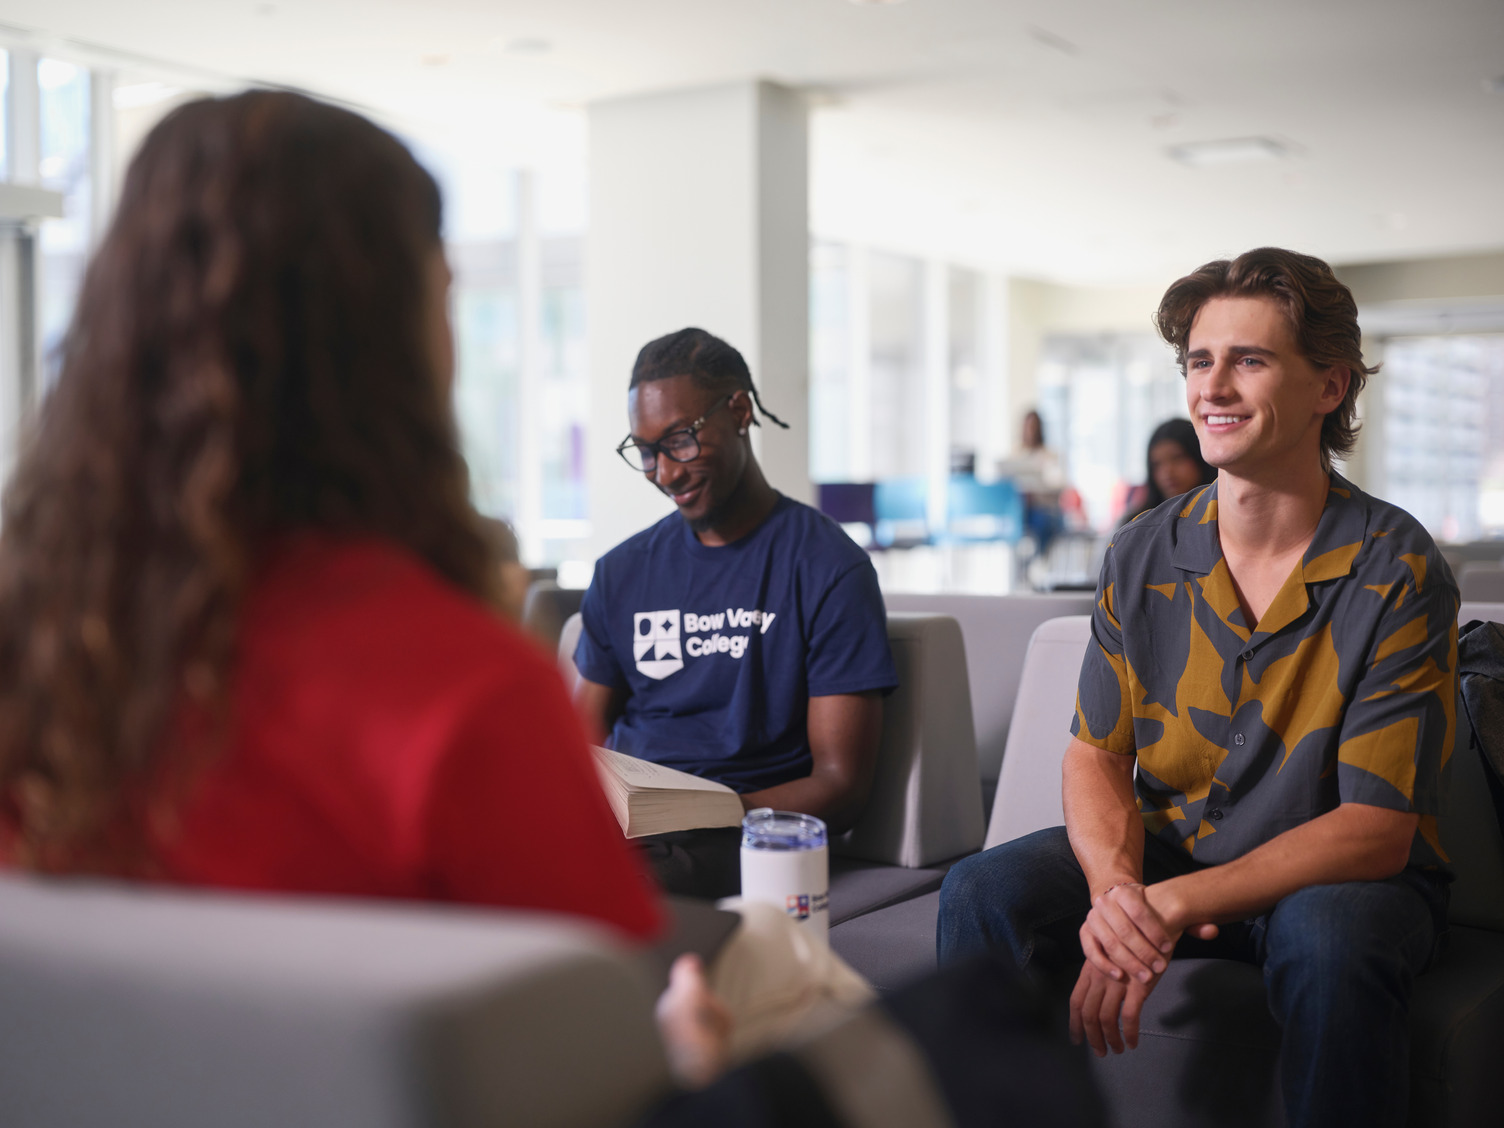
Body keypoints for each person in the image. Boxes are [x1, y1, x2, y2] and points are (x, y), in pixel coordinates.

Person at [0, 90, 660, 941]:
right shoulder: (466, 701)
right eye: (445, 294)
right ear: (390, 344)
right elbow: (599, 1051)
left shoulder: (34, 661)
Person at [937, 247, 1459, 1128]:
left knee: (1329, 939)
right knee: (982, 891)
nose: (1212, 386)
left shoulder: (1397, 567)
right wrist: (1116, 898)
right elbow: (1095, 756)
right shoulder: (1141, 551)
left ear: (1329, 388)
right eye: (1199, 361)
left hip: (1336, 879)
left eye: (1248, 360)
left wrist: (1169, 905)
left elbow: (1374, 831)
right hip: (1174, 844)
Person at [573, 328, 898, 898]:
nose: (664, 472)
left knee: (610, 887)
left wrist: (707, 812)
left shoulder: (827, 567)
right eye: (646, 451)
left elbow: (841, 786)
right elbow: (577, 746)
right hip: (626, 825)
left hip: (737, 832)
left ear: (740, 412)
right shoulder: (621, 573)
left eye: (678, 440)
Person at [1117, 417, 1216, 526]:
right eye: (1157, 464)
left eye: (1177, 458)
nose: (1167, 472)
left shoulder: (1222, 517)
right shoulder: (1137, 526)